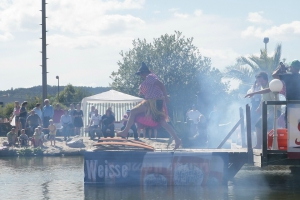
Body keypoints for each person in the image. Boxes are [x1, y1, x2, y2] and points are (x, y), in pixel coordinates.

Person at [117, 62, 181, 149]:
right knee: (162, 122)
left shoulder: (149, 77)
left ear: (143, 73)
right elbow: (153, 88)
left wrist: (166, 96)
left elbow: (160, 84)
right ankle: (177, 139)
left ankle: (125, 132)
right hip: (157, 102)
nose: (141, 76)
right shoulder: (151, 77)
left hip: (152, 102)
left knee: (133, 111)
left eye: (141, 74)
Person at [246, 72, 283, 148]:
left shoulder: (271, 86)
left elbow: (274, 102)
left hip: (275, 110)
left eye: (261, 81)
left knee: (259, 125)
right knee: (267, 127)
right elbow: (263, 99)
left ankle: (260, 145)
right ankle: (267, 145)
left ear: (266, 80)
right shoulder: (263, 87)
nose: (260, 83)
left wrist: (270, 113)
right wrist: (259, 107)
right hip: (269, 111)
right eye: (258, 81)